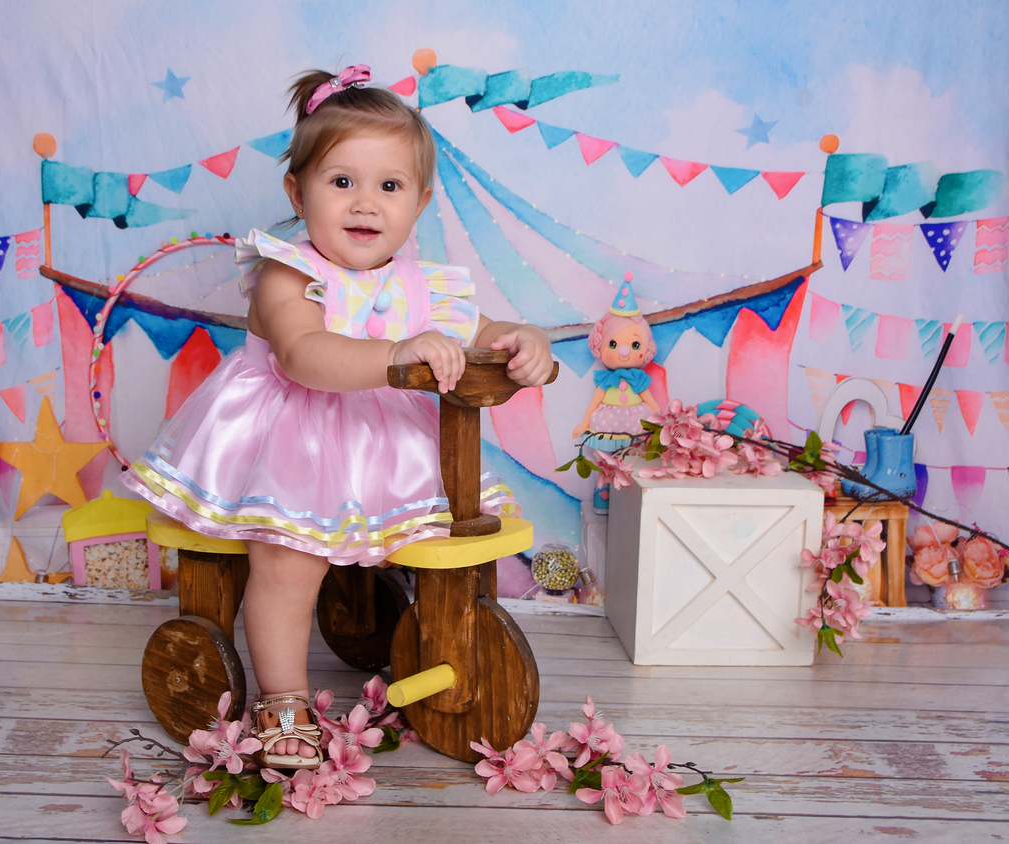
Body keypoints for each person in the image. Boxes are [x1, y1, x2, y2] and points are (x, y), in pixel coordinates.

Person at [124, 65, 553, 769]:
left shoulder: (421, 285)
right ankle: (283, 698)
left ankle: (435, 648)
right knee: (289, 562)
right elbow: (304, 355)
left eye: (390, 186)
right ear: (298, 193)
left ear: (420, 202)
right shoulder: (287, 272)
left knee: (431, 542)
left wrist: (521, 340)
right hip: (288, 444)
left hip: (379, 448)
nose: (365, 204)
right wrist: (399, 352)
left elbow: (482, 331)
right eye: (342, 181)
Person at [572, 273, 659, 512]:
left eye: (634, 345)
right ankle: (603, 491)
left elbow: (650, 400)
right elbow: (595, 400)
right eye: (613, 344)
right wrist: (585, 422)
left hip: (635, 422)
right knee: (604, 459)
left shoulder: (637, 379)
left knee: (633, 459)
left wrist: (661, 420)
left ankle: (630, 500)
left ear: (646, 349)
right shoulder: (606, 379)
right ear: (599, 346)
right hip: (608, 423)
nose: (623, 351)